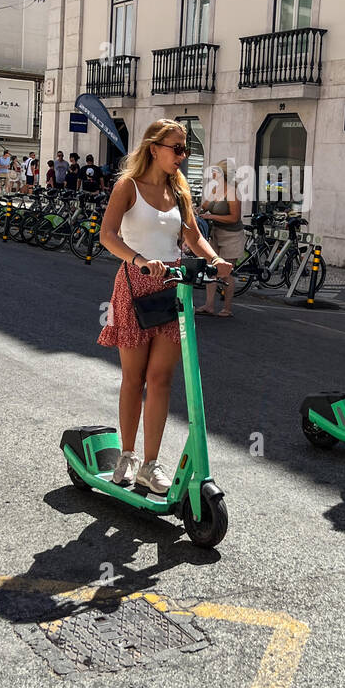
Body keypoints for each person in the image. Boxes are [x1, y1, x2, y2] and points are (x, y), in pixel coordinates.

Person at [98, 120, 232, 493]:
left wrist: (215, 260)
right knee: (134, 377)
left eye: (185, 149)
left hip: (175, 287)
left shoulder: (179, 190)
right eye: (176, 148)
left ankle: (151, 464)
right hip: (136, 284)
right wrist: (138, 259)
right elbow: (107, 235)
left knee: (161, 379)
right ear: (154, 148)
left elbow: (193, 236)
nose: (182, 156)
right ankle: (128, 454)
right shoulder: (128, 187)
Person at [197, 161, 245, 318]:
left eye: (215, 172)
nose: (212, 175)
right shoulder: (215, 189)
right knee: (211, 269)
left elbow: (234, 217)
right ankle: (209, 306)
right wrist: (197, 210)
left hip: (231, 235)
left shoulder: (233, 192)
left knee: (225, 273)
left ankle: (227, 308)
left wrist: (211, 216)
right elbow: (204, 206)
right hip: (215, 233)